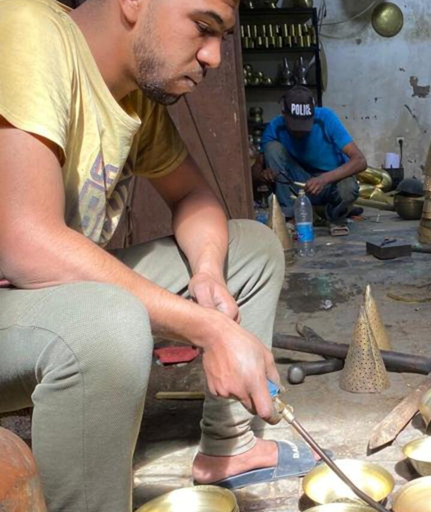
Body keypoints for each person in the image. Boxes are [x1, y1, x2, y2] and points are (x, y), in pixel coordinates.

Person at [0, 0, 319, 510]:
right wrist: (208, 327)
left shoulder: (136, 99)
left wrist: (209, 275)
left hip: (46, 293)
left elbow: (195, 198)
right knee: (106, 322)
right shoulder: (26, 30)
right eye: (202, 26)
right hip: (19, 292)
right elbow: (25, 243)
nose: (213, 56)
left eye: (221, 36)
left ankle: (230, 447)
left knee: (252, 249)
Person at [259, 86, 367, 232]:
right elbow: (255, 169)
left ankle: (332, 217)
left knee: (348, 188)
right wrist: (263, 173)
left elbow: (360, 161)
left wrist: (324, 179)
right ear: (283, 113)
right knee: (272, 148)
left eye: (304, 125)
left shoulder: (326, 118)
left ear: (313, 112)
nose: (299, 132)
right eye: (294, 126)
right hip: (300, 184)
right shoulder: (275, 126)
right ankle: (290, 215)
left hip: (330, 184)